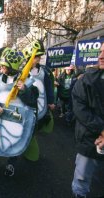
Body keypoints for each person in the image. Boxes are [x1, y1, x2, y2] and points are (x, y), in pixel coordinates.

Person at [0, 47, 39, 176]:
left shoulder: (27, 81)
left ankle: (11, 163)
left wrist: (24, 90)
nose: (1, 68)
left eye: (4, 66)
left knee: (14, 139)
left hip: (16, 119)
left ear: (11, 67)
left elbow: (32, 101)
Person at [71, 42, 104, 198]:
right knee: (82, 178)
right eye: (100, 52)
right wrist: (102, 130)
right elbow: (80, 109)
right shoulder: (86, 80)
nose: (101, 56)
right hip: (90, 138)